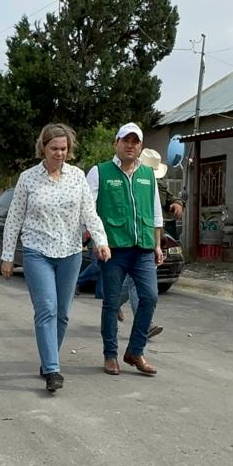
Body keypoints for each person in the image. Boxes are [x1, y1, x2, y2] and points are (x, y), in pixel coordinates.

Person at [0, 124, 109, 392]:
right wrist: (6, 256)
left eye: (64, 149)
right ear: (43, 148)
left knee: (62, 313)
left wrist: (101, 241)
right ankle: (52, 369)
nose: (59, 154)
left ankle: (49, 358)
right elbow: (14, 218)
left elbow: (89, 213)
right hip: (38, 251)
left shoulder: (77, 176)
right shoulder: (28, 178)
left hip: (70, 252)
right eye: (54, 149)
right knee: (46, 309)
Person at [88, 122, 165, 376]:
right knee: (111, 303)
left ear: (140, 147)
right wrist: (97, 241)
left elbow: (155, 213)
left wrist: (157, 244)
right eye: (126, 141)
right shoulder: (100, 172)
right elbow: (88, 209)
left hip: (143, 248)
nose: (130, 145)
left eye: (135, 142)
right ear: (116, 143)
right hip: (113, 249)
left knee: (150, 297)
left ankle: (135, 351)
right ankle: (110, 355)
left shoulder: (147, 175)